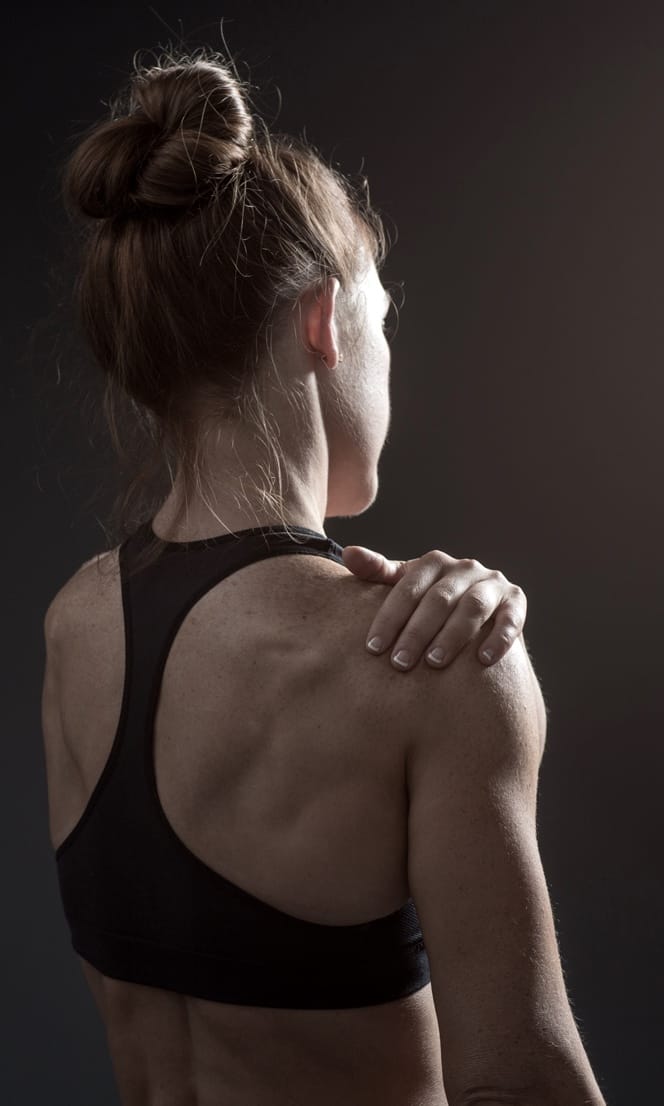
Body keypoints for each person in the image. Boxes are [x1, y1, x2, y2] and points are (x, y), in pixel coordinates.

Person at [41, 47, 607, 1106]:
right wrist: (486, 667)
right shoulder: (429, 668)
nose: (388, 356)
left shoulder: (74, 622)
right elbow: (524, 1083)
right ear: (319, 318)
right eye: (381, 322)